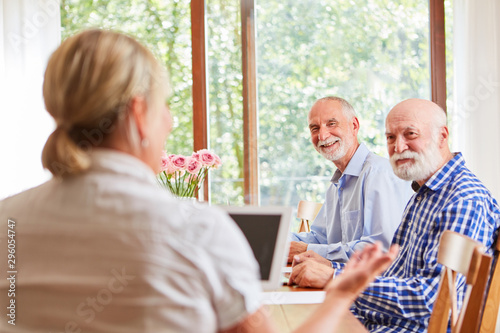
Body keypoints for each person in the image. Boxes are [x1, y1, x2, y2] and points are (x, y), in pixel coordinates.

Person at [0, 28, 398, 333]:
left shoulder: (8, 222)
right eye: (165, 106)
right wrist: (341, 294)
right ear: (140, 114)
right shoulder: (197, 228)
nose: (169, 121)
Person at [288, 98, 500, 332]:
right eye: (391, 138)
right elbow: (394, 270)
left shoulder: (464, 200)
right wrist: (334, 274)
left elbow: (430, 300)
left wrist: (335, 279)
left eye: (411, 134)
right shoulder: (424, 193)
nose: (398, 147)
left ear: (442, 136)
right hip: (377, 318)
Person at [289, 97, 412, 266]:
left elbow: (379, 251)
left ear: (354, 126)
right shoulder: (337, 184)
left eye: (331, 124)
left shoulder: (378, 173)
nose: (323, 135)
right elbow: (320, 238)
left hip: (372, 288)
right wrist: (277, 240)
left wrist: (305, 250)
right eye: (315, 128)